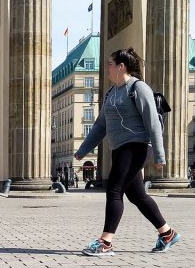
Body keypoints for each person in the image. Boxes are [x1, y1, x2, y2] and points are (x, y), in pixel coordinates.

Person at [74, 47, 181, 256]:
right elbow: (100, 125)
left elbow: (153, 123)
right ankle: (167, 233)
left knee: (114, 189)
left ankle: (105, 242)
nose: (107, 67)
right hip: (119, 148)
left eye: (110, 63)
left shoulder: (138, 88)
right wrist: (83, 150)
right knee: (137, 195)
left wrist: (160, 155)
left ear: (121, 66)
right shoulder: (112, 93)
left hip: (137, 145)